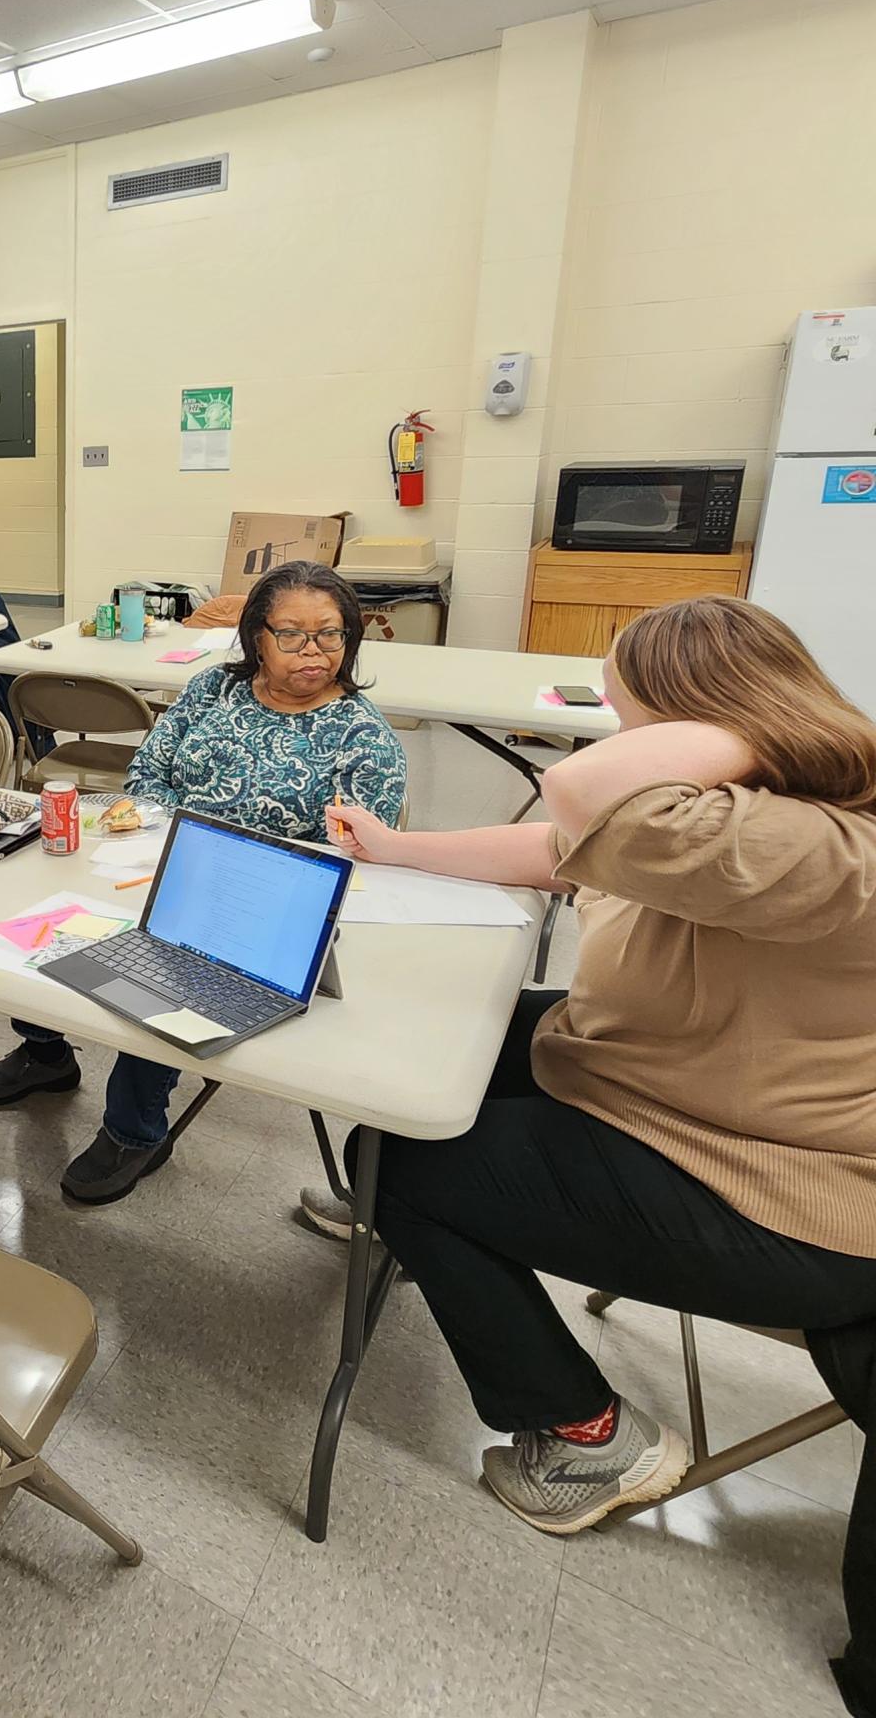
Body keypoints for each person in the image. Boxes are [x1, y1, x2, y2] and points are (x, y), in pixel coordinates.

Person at [323, 596, 876, 1594]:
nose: (612, 728)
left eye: (629, 712)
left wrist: (708, 727)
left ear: (700, 725)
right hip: (663, 1076)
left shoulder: (804, 844)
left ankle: (583, 1432)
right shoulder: (721, 820)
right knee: (440, 1046)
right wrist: (389, 846)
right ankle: (398, 1202)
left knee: (405, 1160)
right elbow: (557, 850)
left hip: (769, 1186)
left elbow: (576, 792)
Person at [0, 561, 408, 1206]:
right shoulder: (211, 693)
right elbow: (150, 777)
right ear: (257, 635)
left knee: (181, 970)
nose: (313, 651)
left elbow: (359, 852)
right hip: (161, 859)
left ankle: (135, 1129)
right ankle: (44, 1053)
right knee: (41, 918)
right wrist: (162, 842)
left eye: (330, 635)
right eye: (292, 635)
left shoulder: (364, 736)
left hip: (262, 899)